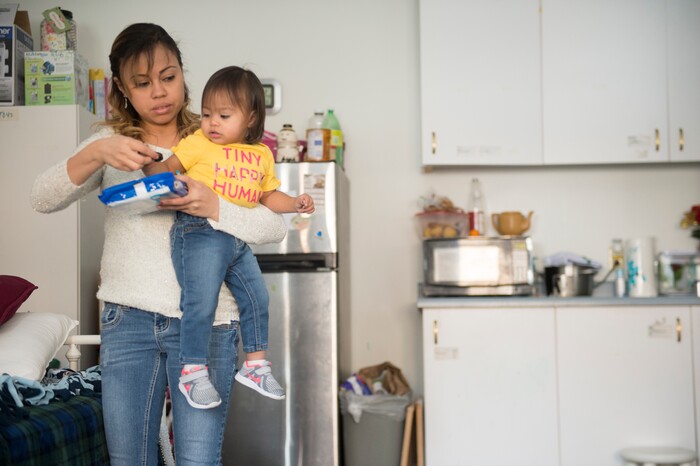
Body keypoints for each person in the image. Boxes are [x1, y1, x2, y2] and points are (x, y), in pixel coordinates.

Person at [30, 23, 286, 466]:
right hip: (127, 321)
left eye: (168, 77)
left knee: (197, 461)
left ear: (184, 75)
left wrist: (215, 206)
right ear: (123, 90)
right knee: (131, 460)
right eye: (142, 83)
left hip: (208, 327)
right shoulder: (111, 146)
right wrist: (96, 153)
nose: (160, 93)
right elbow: (41, 198)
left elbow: (274, 227)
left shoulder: (220, 139)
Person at [143, 65, 314, 409]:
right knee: (200, 301)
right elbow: (166, 169)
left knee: (257, 299)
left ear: (251, 118)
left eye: (223, 115)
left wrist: (294, 203)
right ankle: (191, 371)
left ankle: (254, 365)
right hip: (199, 232)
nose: (212, 123)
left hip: (236, 238)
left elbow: (267, 198)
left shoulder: (262, 155)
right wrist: (148, 164)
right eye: (207, 114)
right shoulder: (198, 143)